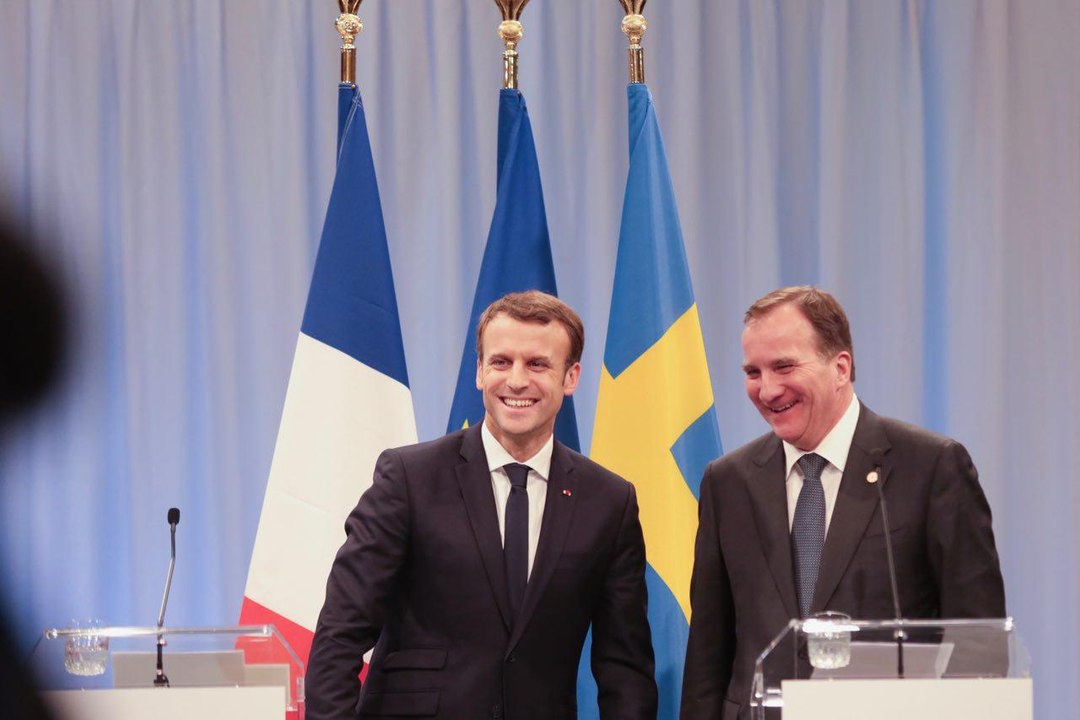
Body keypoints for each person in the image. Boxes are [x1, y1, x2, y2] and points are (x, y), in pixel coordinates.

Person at [306, 290, 658, 720]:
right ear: (479, 371)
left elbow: (626, 671)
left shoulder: (609, 502)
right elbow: (340, 635)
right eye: (501, 362)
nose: (516, 381)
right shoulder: (409, 478)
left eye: (537, 364)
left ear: (571, 377)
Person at [680, 286, 1005, 720]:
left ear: (840, 368)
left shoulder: (931, 468)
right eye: (753, 372)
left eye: (784, 366)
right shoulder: (728, 482)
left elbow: (977, 643)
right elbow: (708, 653)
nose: (767, 390)